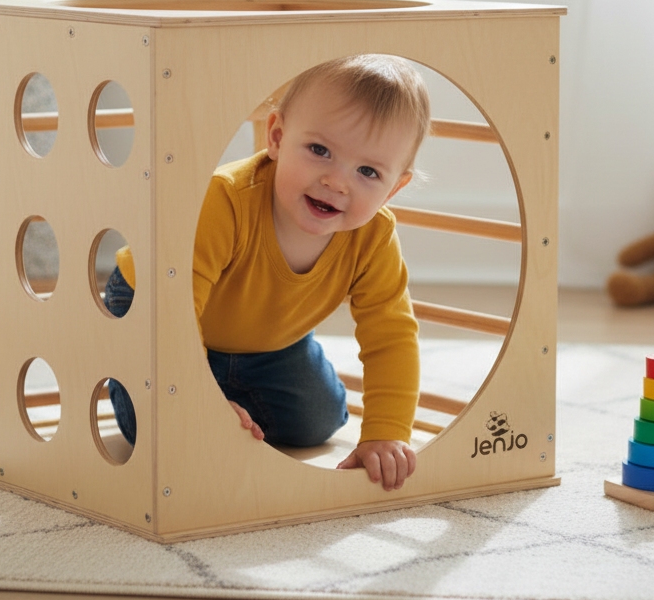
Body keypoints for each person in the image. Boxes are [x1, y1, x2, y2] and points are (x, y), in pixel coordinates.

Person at [106, 53, 430, 490]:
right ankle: (197, 385)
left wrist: (387, 433)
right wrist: (198, 400)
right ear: (276, 137)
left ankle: (227, 388)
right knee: (160, 430)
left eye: (368, 171)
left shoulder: (373, 237)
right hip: (156, 304)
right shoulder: (225, 201)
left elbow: (392, 335)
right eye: (320, 151)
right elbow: (173, 308)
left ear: (394, 188)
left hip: (268, 335)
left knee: (319, 419)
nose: (337, 182)